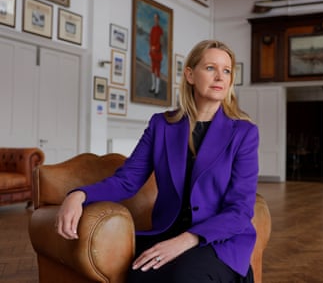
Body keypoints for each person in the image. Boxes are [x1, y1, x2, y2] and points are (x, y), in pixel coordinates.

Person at [56, 40, 259, 283]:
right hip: (168, 231)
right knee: (137, 275)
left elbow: (240, 209)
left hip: (220, 241)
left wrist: (185, 241)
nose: (220, 77)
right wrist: (79, 195)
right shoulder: (161, 125)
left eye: (226, 71)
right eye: (210, 68)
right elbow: (127, 181)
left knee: (186, 276)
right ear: (190, 75)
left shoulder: (244, 133)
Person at [149, 12, 163, 95]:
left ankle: (157, 89)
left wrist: (155, 48)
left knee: (157, 71)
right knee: (152, 70)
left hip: (158, 54)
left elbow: (161, 42)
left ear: (158, 19)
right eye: (154, 18)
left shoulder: (160, 30)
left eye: (156, 18)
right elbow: (150, 40)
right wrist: (151, 48)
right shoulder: (152, 29)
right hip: (152, 53)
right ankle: (153, 86)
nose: (155, 20)